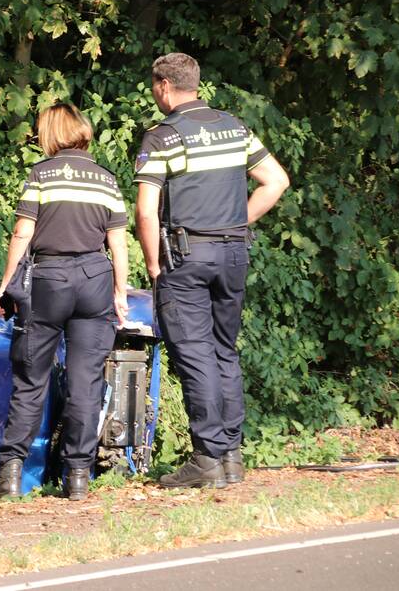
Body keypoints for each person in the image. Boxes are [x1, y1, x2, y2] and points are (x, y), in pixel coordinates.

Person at [133, 52, 290, 488]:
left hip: (186, 257)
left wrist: (153, 264)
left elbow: (145, 212)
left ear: (164, 86)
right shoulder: (234, 127)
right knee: (224, 349)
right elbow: (276, 181)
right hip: (234, 253)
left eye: (155, 87)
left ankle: (206, 458)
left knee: (195, 353)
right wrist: (237, 222)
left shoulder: (162, 137)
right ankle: (231, 456)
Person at [0, 102, 130, 501]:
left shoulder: (42, 174)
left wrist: (6, 285)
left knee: (31, 379)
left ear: (50, 133)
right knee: (86, 382)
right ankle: (77, 478)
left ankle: (10, 476)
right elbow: (118, 243)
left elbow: (22, 232)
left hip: (48, 281)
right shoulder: (105, 179)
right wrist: (120, 292)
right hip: (95, 279)